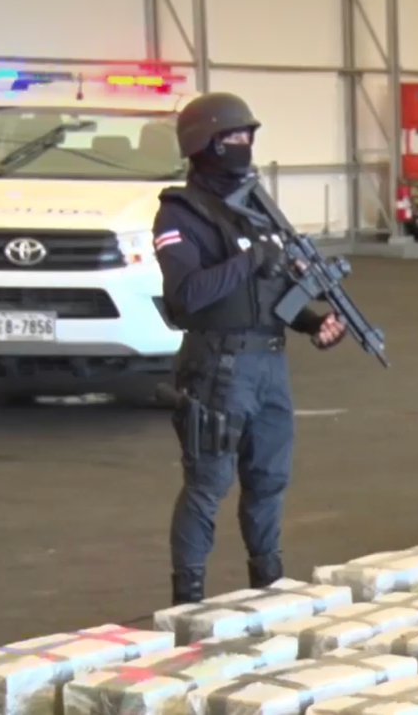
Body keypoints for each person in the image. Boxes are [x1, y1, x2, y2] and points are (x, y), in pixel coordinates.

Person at [153, 92, 347, 604]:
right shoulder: (179, 213)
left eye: (247, 136)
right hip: (218, 365)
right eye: (234, 136)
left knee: (268, 480)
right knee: (208, 483)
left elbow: (269, 292)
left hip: (268, 362)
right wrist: (252, 259)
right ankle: (187, 601)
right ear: (206, 144)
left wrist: (314, 322)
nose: (245, 145)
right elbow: (186, 294)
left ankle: (268, 589)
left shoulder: (256, 209)